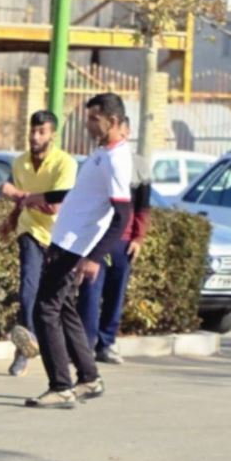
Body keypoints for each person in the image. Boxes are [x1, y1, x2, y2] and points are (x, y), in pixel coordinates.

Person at [23, 92, 133, 409]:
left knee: (45, 309)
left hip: (75, 245)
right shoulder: (103, 152)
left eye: (94, 119)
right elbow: (81, 194)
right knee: (64, 309)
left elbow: (122, 216)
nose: (88, 125)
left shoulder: (115, 160)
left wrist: (94, 257)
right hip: (67, 241)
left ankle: (61, 386)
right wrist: (40, 196)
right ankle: (88, 378)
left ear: (113, 120)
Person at [0, 111, 76, 377]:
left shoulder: (65, 164)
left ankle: (65, 352)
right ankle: (25, 348)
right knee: (28, 292)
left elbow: (54, 207)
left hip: (59, 237)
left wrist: (17, 194)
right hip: (30, 231)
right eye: (32, 131)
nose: (35, 136)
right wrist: (11, 220)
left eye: (41, 132)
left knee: (59, 299)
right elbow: (25, 205)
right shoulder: (20, 163)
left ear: (53, 135)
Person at [78, 120, 152, 366]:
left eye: (123, 129)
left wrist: (138, 238)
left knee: (115, 294)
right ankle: (84, 346)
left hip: (123, 242)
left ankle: (106, 343)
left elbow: (143, 207)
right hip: (97, 239)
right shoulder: (98, 161)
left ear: (127, 131)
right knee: (90, 292)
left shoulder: (139, 165)